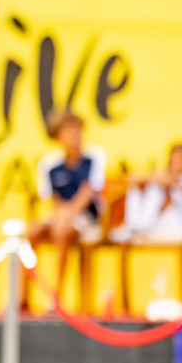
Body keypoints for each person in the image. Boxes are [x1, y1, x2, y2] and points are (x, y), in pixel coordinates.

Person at [29, 111, 108, 295]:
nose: (76, 137)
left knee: (62, 230)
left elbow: (89, 191)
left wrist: (67, 215)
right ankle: (23, 297)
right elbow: (53, 198)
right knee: (30, 233)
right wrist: (62, 215)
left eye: (78, 132)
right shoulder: (49, 164)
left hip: (87, 217)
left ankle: (56, 293)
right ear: (58, 137)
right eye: (71, 133)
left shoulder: (94, 157)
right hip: (61, 215)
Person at [112, 141, 182, 242]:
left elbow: (169, 181)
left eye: (176, 160)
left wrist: (148, 178)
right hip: (166, 221)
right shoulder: (176, 177)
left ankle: (139, 226)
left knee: (155, 187)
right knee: (136, 188)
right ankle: (132, 225)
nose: (171, 163)